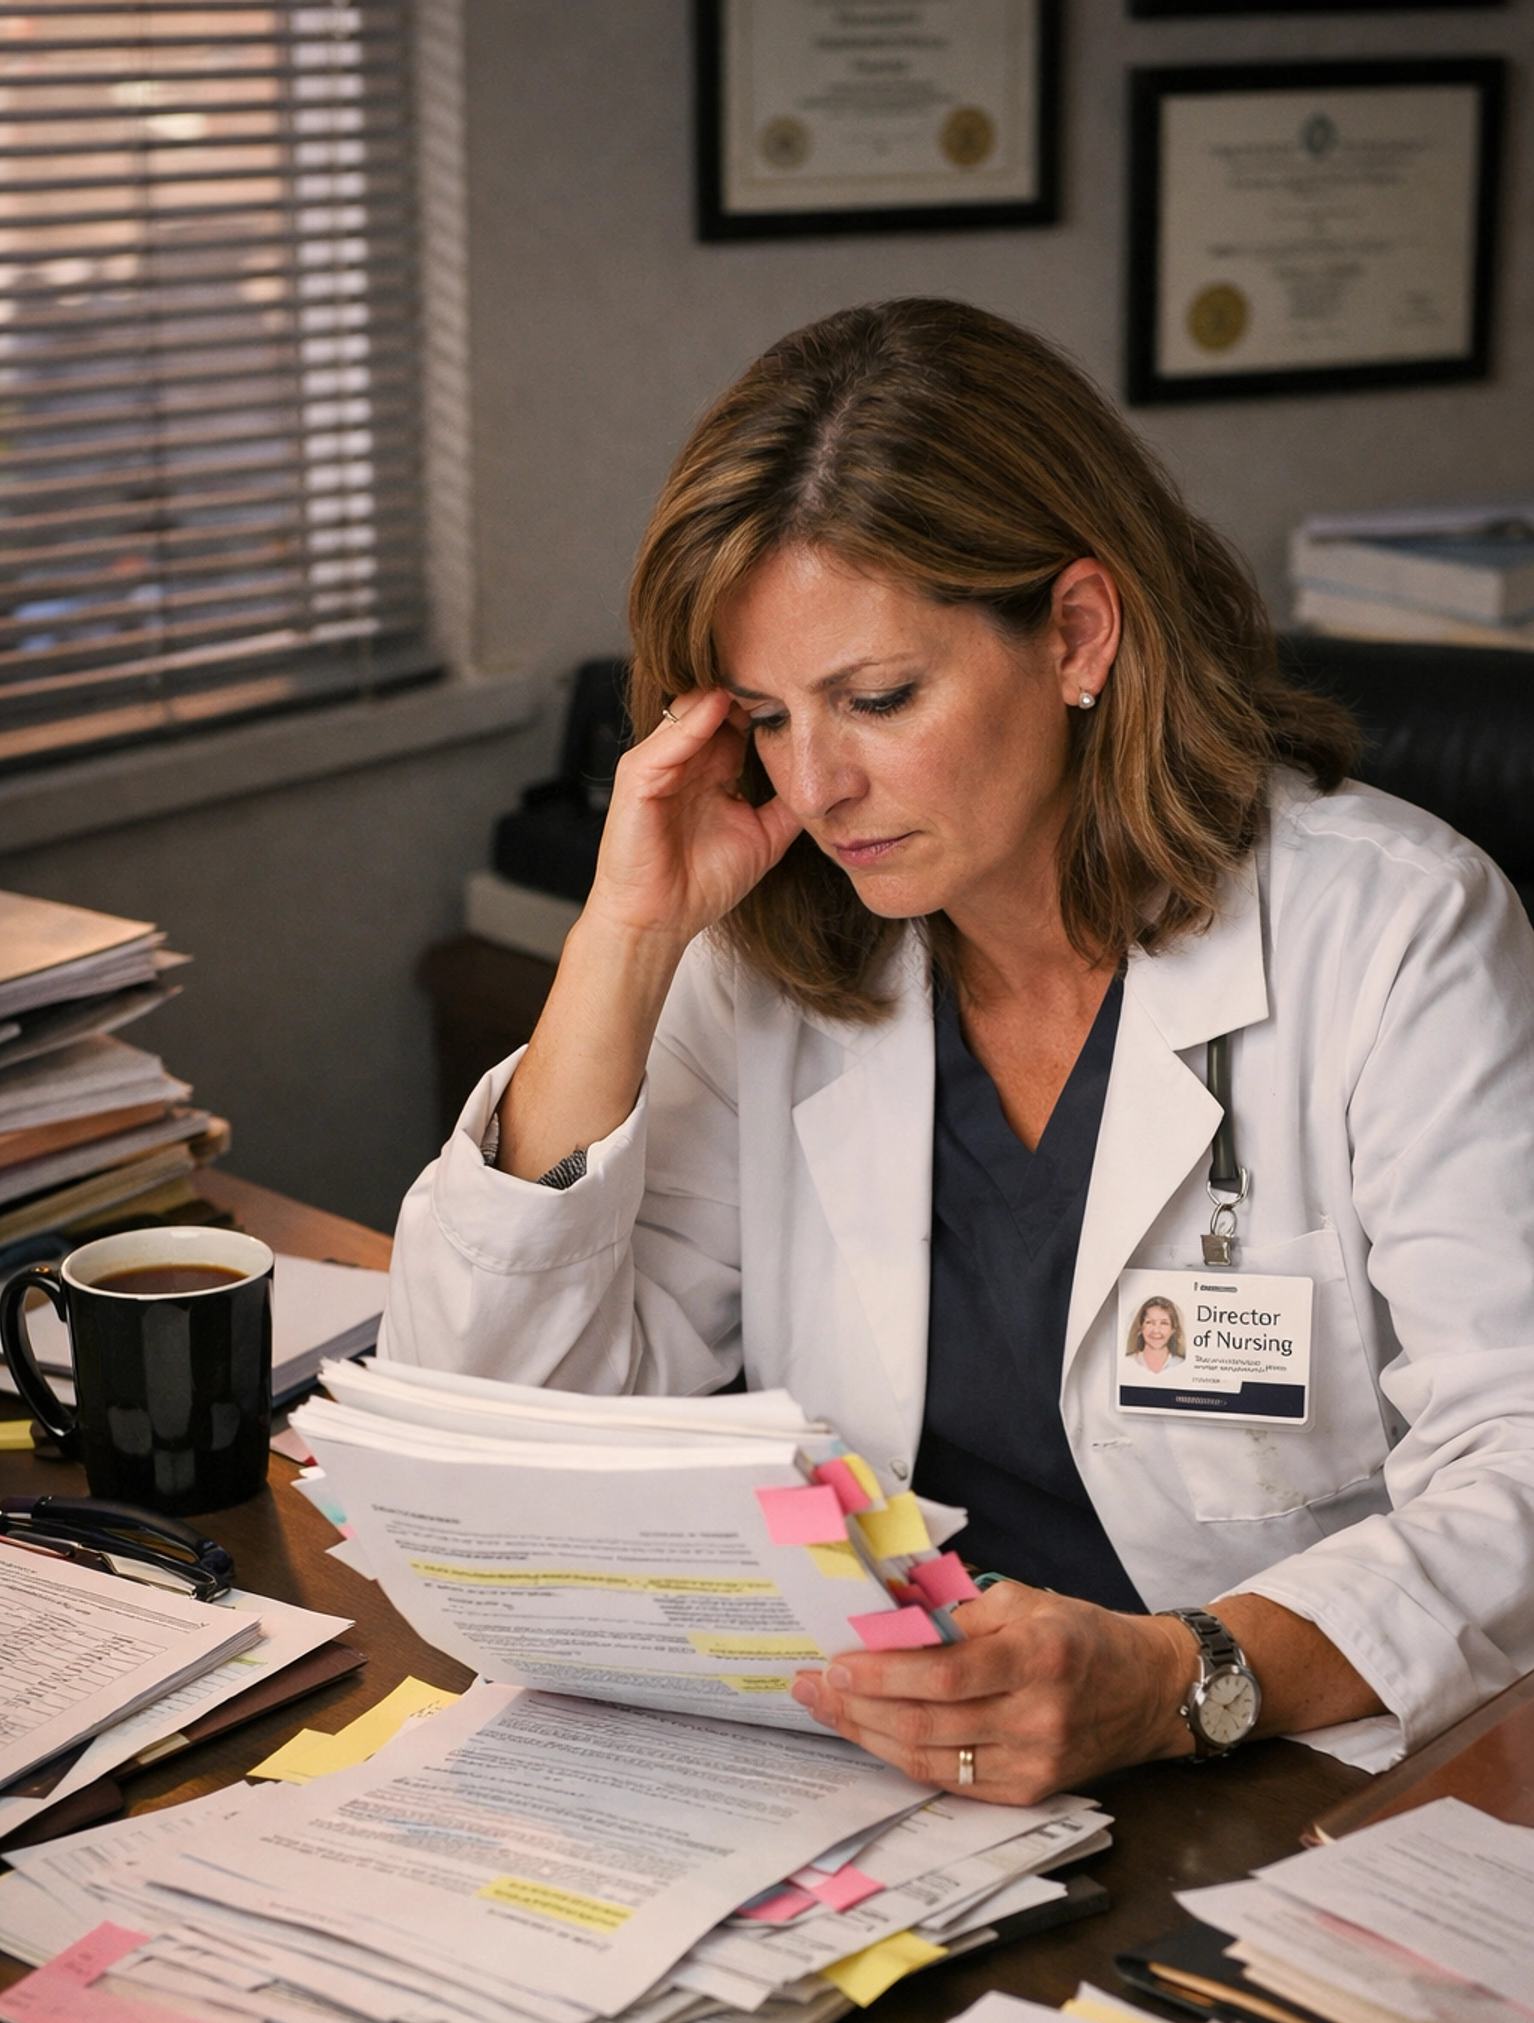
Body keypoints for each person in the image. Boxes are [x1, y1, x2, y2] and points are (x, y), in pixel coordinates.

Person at [384, 298, 1534, 1802]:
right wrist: (621, 937)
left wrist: (1179, 1678)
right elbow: (495, 1450)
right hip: (878, 1779)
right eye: (765, 717)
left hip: (1282, 1774)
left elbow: (1518, 1474)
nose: (820, 781)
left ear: (1074, 634)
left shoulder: (1392, 935)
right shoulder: (787, 953)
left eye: (877, 700)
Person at [1123, 1297, 1185, 1383]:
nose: (1156, 1330)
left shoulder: (1181, 1364)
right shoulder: (1128, 1362)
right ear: (1140, 1327)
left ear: (1173, 1330)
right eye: (1150, 1322)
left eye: (1164, 1323)